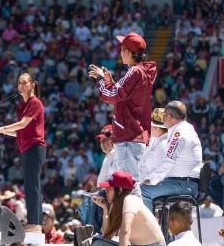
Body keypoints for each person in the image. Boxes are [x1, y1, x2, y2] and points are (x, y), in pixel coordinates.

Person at [89, 33, 157, 186]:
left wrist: (101, 80)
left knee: (129, 186)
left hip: (129, 134)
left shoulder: (135, 71)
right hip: (133, 134)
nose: (120, 52)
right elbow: (124, 96)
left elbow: (114, 95)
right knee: (130, 185)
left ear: (127, 51)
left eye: (122, 48)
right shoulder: (141, 71)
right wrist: (109, 81)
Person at [0, 73, 46, 232]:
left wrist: (1, 128)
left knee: (32, 186)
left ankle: (35, 223)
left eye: (24, 82)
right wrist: (0, 131)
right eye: (19, 83)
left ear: (32, 85)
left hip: (34, 148)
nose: (21, 85)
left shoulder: (35, 103)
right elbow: (19, 132)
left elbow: (22, 124)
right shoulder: (23, 106)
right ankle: (35, 222)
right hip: (27, 148)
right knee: (30, 185)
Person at [140, 101, 203, 211]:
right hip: (181, 183)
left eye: (164, 114)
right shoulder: (183, 129)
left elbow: (168, 161)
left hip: (183, 184)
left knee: (142, 191)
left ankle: (150, 223)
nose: (162, 117)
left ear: (170, 117)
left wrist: (150, 180)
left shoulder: (179, 133)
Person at [77, 125, 115, 228]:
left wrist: (98, 190)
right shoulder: (108, 156)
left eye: (104, 140)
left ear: (112, 140)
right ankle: (90, 229)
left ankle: (93, 229)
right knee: (83, 205)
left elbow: (112, 179)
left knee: (89, 202)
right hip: (103, 190)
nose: (101, 143)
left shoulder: (116, 154)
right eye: (101, 141)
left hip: (111, 192)